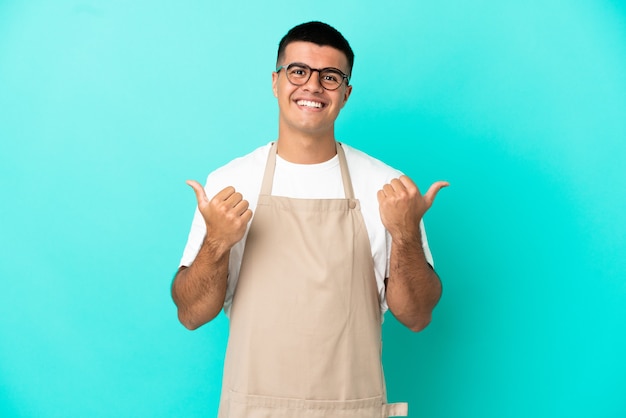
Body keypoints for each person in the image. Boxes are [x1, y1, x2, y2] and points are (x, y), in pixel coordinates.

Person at [172, 21, 448, 418]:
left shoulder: (388, 187)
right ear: (276, 81)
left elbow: (418, 316)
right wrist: (216, 242)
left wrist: (404, 235)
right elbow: (191, 314)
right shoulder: (231, 183)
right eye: (299, 71)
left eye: (330, 77)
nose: (313, 86)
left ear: (346, 93)